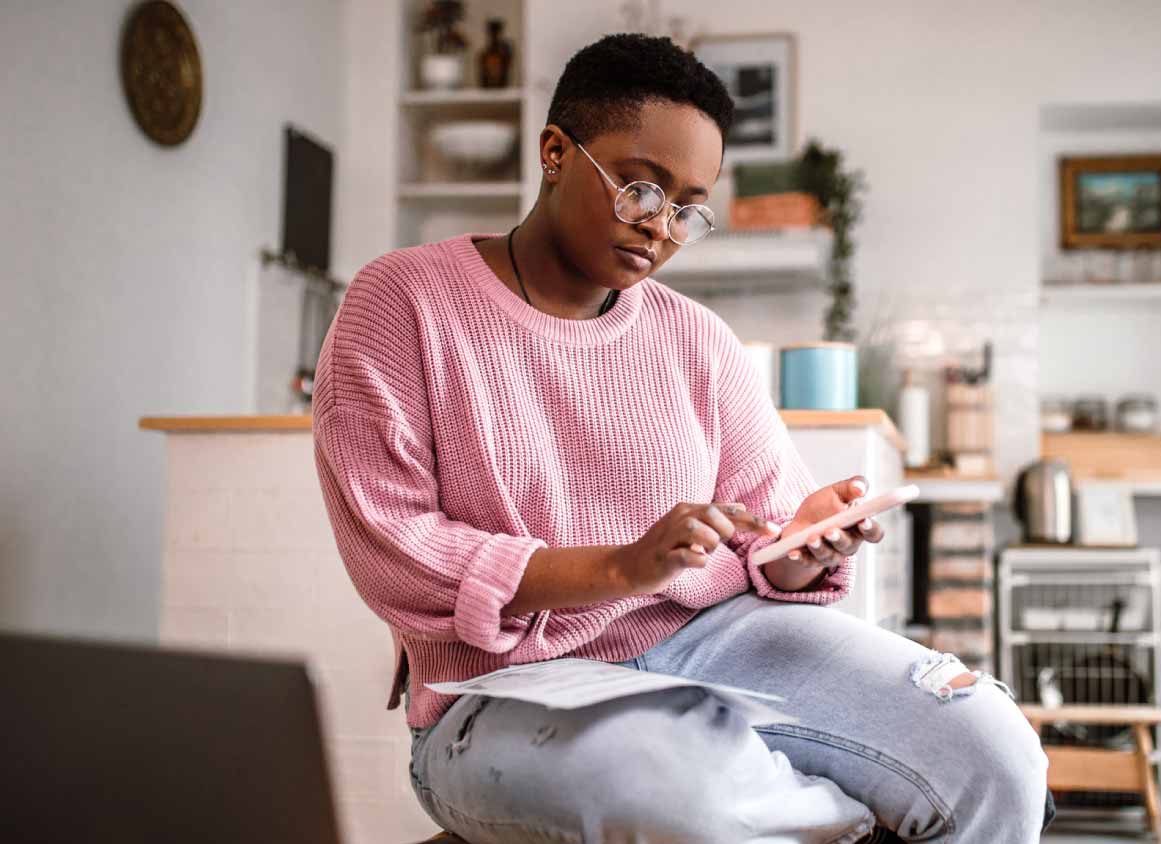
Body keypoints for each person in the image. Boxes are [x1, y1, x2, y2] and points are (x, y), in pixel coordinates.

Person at [312, 32, 1048, 844]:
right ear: (555, 152)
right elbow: (395, 551)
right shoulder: (403, 302)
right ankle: (845, 825)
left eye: (689, 208)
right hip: (503, 690)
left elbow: (765, 533)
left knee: (993, 752)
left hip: (715, 643)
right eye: (640, 190)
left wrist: (802, 547)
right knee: (676, 795)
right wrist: (620, 567)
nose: (661, 228)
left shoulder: (696, 337)